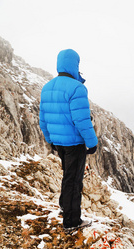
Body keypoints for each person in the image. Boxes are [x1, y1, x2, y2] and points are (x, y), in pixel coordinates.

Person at [39, 49, 98, 231]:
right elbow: (81, 120)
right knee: (73, 180)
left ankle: (65, 207)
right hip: (74, 143)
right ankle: (72, 222)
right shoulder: (76, 88)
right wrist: (92, 142)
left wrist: (50, 140)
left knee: (67, 176)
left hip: (59, 143)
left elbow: (43, 119)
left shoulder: (47, 87)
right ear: (75, 65)